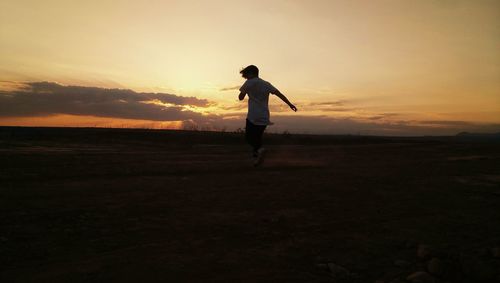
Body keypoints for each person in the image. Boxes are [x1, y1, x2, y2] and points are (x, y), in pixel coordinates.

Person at [238, 65, 297, 166]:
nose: (246, 77)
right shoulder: (266, 84)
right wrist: (290, 104)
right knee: (257, 138)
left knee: (249, 138)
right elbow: (279, 94)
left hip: (253, 116)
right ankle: (257, 159)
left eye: (246, 75)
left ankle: (260, 150)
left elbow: (240, 97)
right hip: (264, 116)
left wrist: (244, 92)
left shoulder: (249, 82)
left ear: (251, 73)